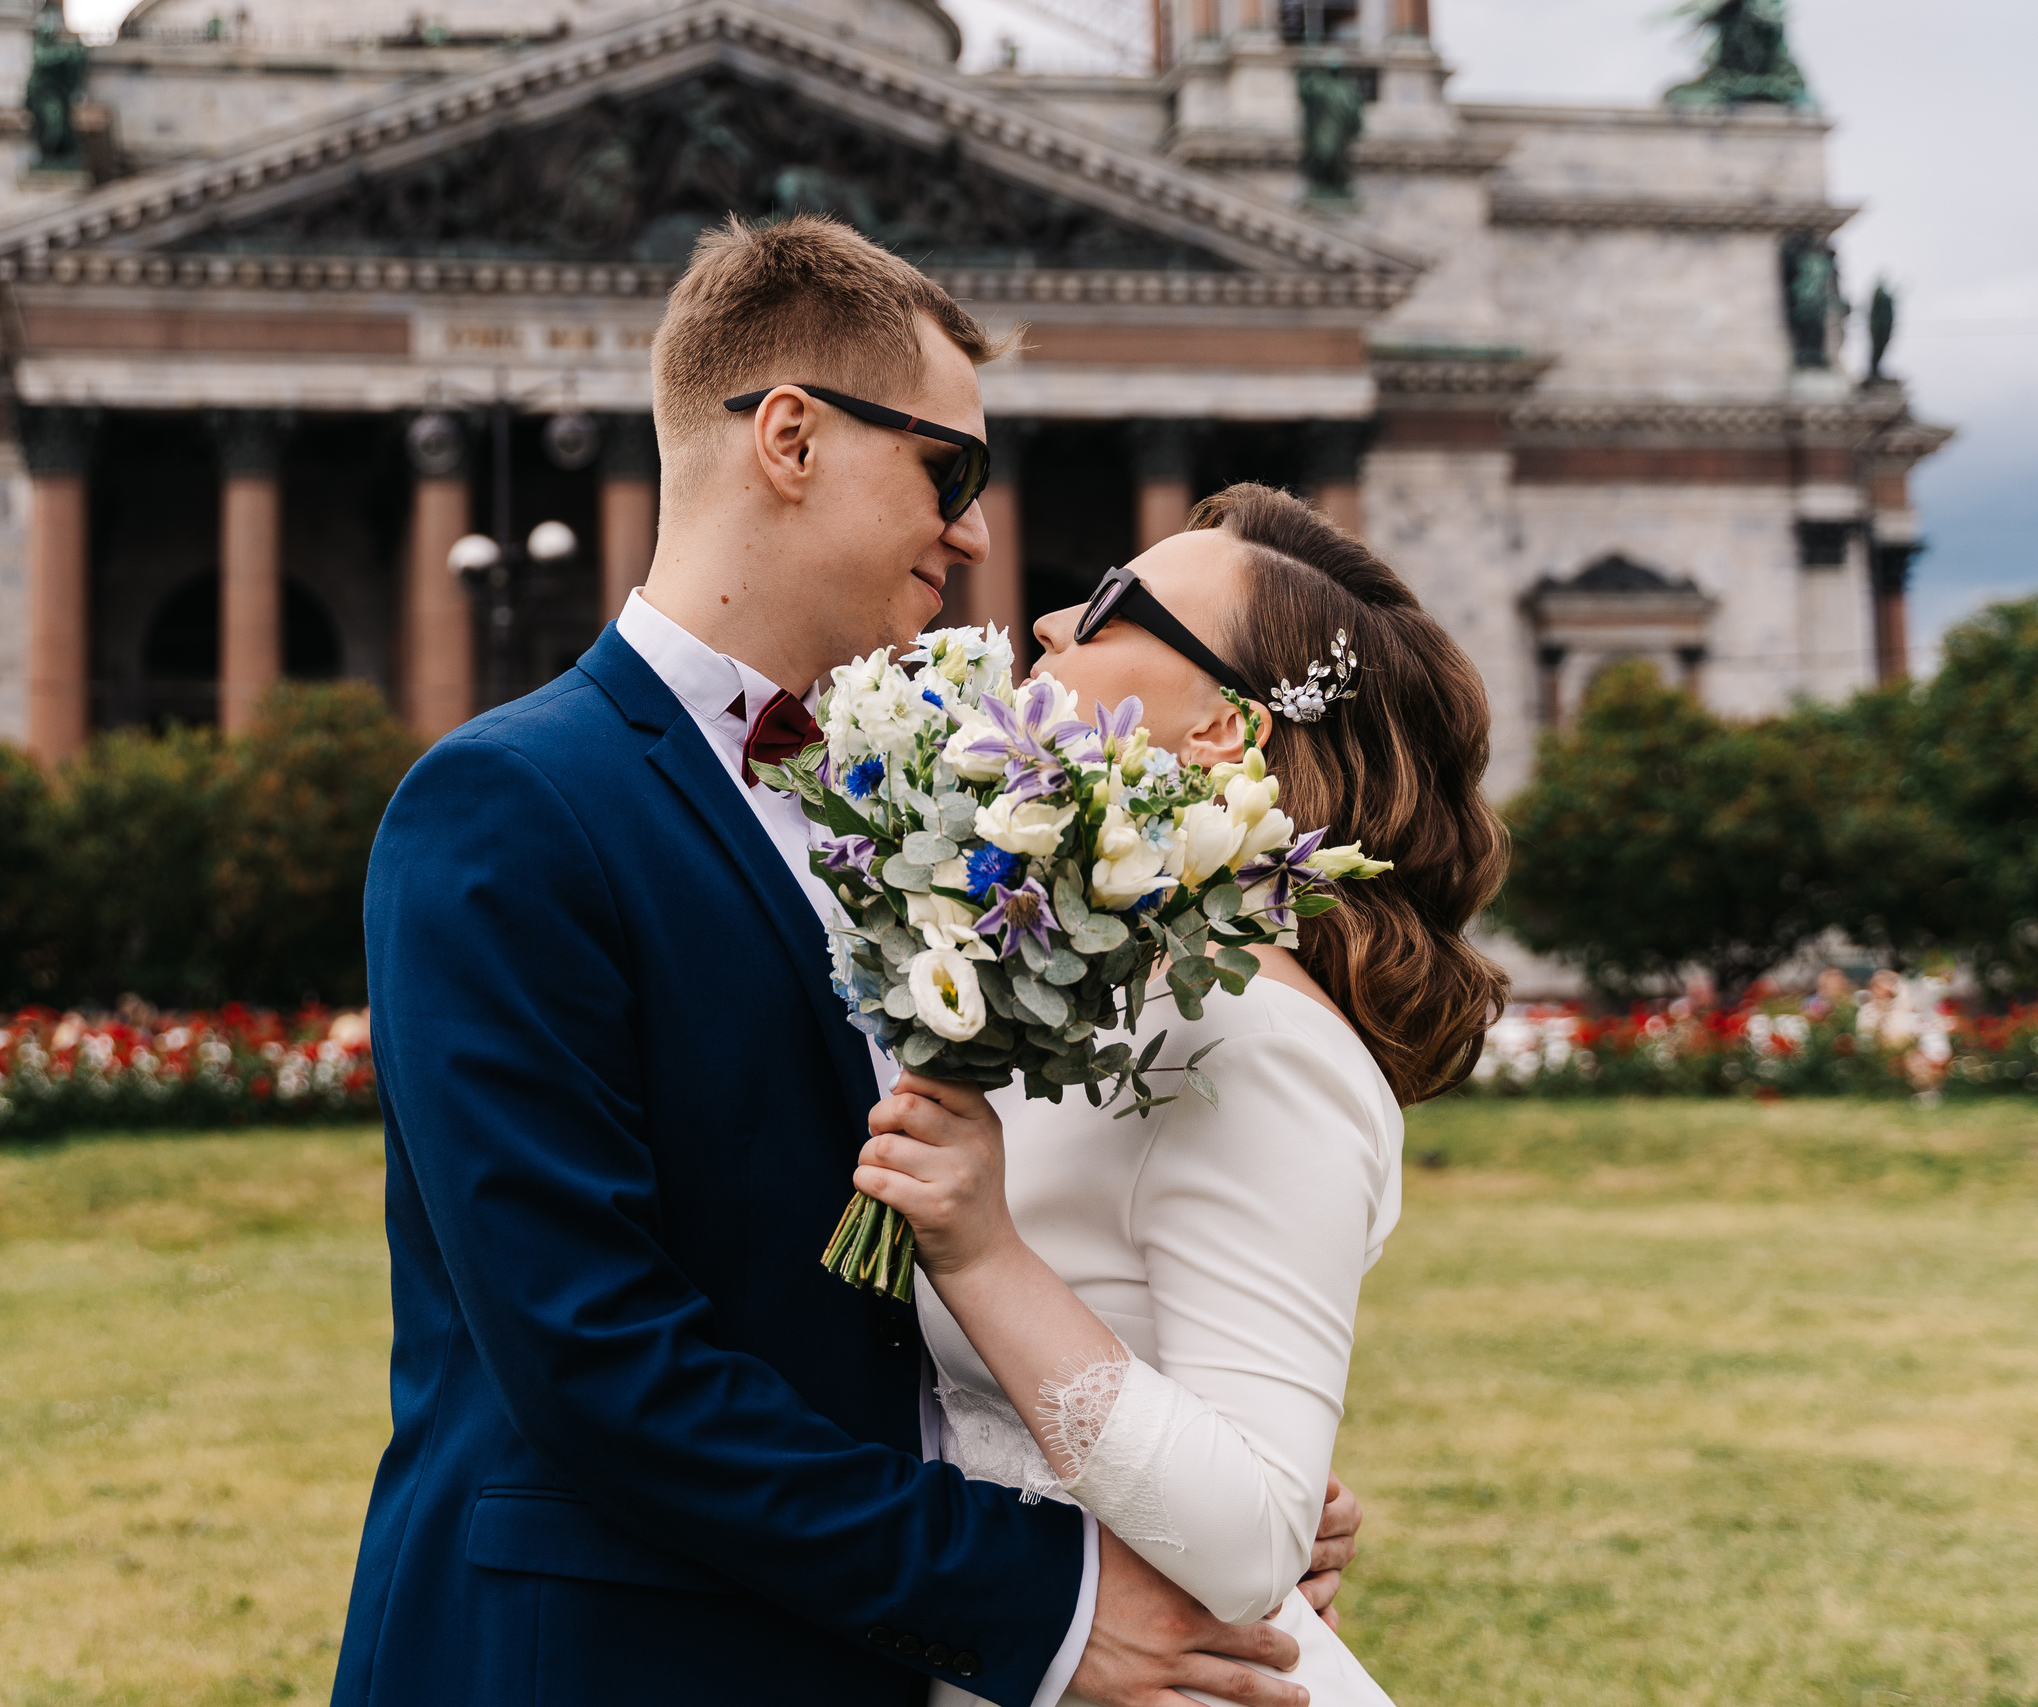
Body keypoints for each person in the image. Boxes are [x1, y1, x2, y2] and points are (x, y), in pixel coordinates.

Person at [333, 220, 1350, 1707]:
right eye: (954, 472)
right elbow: (596, 1352)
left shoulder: (932, 801)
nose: (981, 535)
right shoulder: (506, 806)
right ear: (792, 439)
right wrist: (1048, 1592)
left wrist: (1200, 1492)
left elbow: (924, 1277)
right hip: (597, 1658)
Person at [855, 485, 1512, 1704]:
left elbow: (1255, 1533)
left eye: (1113, 604)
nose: (1051, 618)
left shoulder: (1255, 1037)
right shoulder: (1112, 988)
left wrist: (984, 1251)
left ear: (1221, 731)